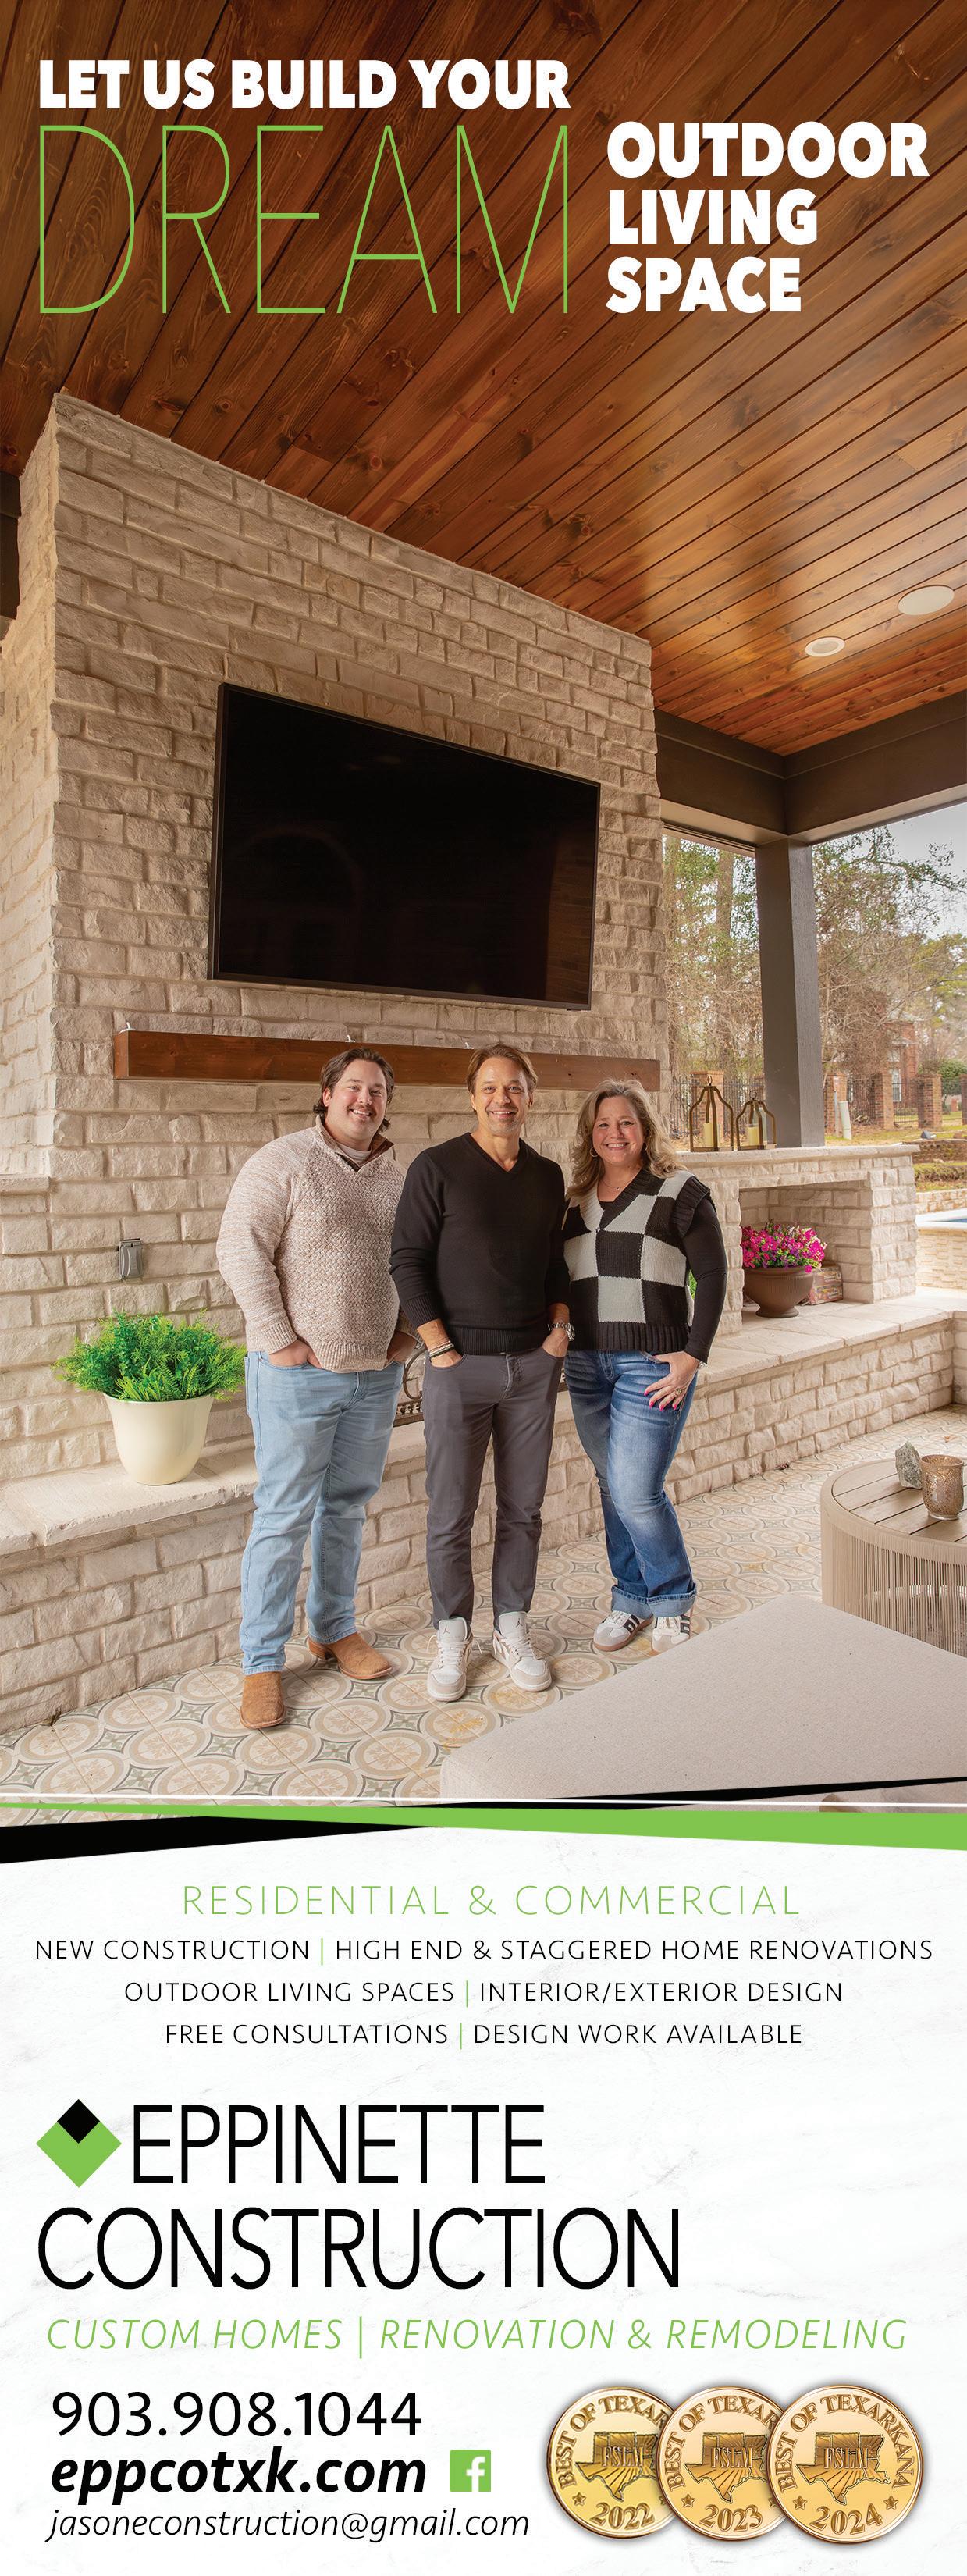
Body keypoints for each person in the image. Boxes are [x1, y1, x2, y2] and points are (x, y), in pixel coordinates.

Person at [216, 1049, 414, 1729]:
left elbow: (421, 1263)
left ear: (387, 1103)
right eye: (353, 1087)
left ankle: (333, 1629)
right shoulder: (283, 1161)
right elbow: (239, 1248)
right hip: (295, 1377)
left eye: (377, 1090)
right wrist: (279, 1339)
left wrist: (407, 1337)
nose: (365, 1100)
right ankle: (261, 1664)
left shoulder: (400, 1179)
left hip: (374, 1376)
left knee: (347, 1508)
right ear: (326, 1094)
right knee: (282, 1516)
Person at [389, 1044, 571, 1703]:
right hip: (457, 1369)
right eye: (490, 1087)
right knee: (450, 1512)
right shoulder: (435, 1167)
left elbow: (555, 1261)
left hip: (531, 1367)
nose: (503, 1099)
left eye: (514, 1087)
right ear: (472, 1097)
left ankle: (511, 1625)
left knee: (523, 1508)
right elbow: (407, 1260)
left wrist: (558, 1329)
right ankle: (452, 1632)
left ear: (530, 1097)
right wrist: (438, 1347)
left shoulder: (546, 1175)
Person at [562, 1082, 727, 1653]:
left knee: (635, 1491)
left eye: (626, 1122)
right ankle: (630, 1597)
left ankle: (673, 1600)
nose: (615, 1133)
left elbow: (713, 1275)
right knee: (612, 1487)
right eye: (603, 1124)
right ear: (590, 1134)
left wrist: (693, 1354)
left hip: (652, 1365)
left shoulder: (680, 1191)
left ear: (645, 1128)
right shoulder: (573, 1201)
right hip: (586, 1365)